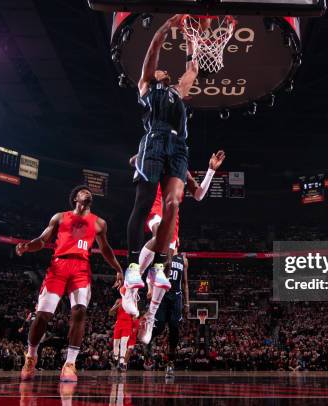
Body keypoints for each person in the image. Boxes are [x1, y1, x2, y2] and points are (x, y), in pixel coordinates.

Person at [123, 14, 199, 314]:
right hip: (153, 141)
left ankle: (156, 267)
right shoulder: (146, 86)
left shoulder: (177, 91)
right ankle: (131, 266)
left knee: (173, 204)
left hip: (178, 147)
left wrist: (192, 38)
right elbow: (153, 53)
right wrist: (166, 28)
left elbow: (193, 69)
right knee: (143, 204)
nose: (163, 71)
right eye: (159, 71)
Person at [16, 185, 123, 382]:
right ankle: (31, 356)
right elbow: (42, 240)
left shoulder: (99, 223)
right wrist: (27, 246)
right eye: (83, 191)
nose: (88, 192)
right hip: (58, 265)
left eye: (90, 193)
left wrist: (118, 268)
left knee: (80, 310)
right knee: (42, 316)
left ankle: (70, 364)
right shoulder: (59, 217)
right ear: (75, 198)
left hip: (81, 267)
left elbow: (106, 249)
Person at [121, 150, 225, 321]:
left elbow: (198, 195)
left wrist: (211, 170)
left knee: (168, 261)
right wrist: (146, 157)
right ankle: (131, 284)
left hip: (172, 215)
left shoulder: (183, 169)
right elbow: (133, 160)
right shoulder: (157, 157)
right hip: (155, 208)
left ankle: (151, 314)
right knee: (159, 236)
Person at [144, 247, 190, 376]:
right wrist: (150, 289)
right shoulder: (162, 257)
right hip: (162, 295)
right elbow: (151, 273)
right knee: (159, 327)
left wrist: (187, 303)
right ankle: (148, 342)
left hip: (176, 296)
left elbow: (185, 283)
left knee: (174, 328)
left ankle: (170, 362)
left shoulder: (183, 260)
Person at [109, 296, 134, 372]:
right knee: (116, 343)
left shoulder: (132, 300)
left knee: (123, 343)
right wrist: (117, 306)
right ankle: (116, 359)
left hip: (128, 323)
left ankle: (121, 363)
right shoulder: (118, 300)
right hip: (119, 323)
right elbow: (110, 313)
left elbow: (135, 315)